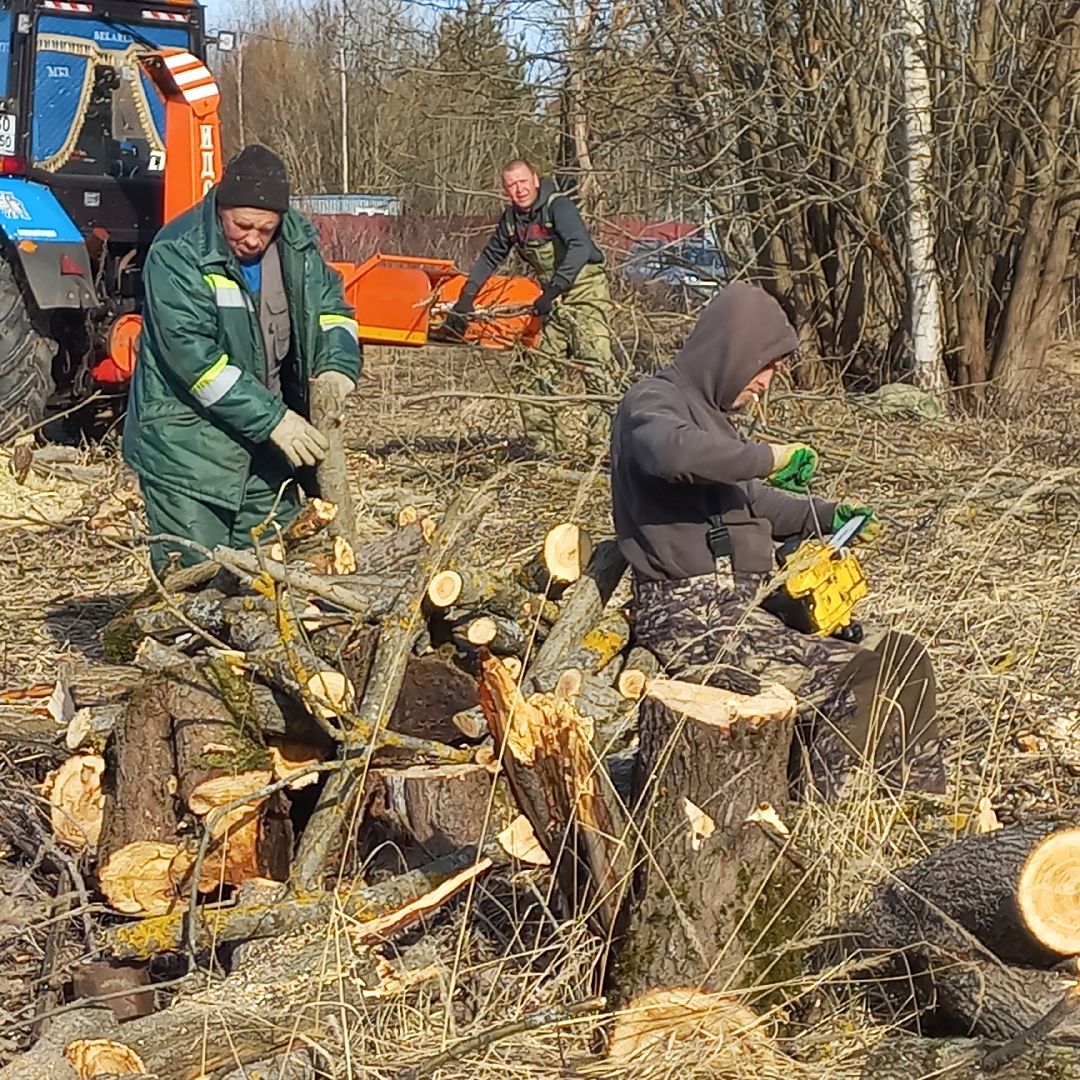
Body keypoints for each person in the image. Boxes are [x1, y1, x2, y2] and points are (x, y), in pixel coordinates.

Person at [610, 281, 944, 799]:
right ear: (733, 349)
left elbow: (752, 503)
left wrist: (831, 516)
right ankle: (827, 818)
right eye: (765, 366)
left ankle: (910, 806)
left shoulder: (718, 421)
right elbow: (671, 455)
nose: (767, 383)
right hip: (694, 619)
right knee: (854, 678)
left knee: (899, 654)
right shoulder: (652, 401)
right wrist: (770, 456)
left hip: (750, 607)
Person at [124, 144, 361, 572]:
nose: (252, 238)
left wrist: (338, 366)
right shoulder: (178, 254)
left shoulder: (299, 249)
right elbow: (197, 363)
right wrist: (275, 419)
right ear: (221, 208)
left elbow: (333, 312)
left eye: (265, 229)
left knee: (272, 579)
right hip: (187, 451)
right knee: (196, 581)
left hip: (266, 452)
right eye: (242, 225)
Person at [447, 159, 616, 456]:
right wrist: (466, 297)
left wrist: (553, 289)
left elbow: (581, 247)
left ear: (535, 180)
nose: (519, 189)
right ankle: (548, 451)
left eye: (523, 181)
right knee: (532, 372)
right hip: (550, 299)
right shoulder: (512, 220)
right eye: (511, 185)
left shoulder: (557, 207)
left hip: (584, 292)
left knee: (595, 368)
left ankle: (602, 452)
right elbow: (490, 257)